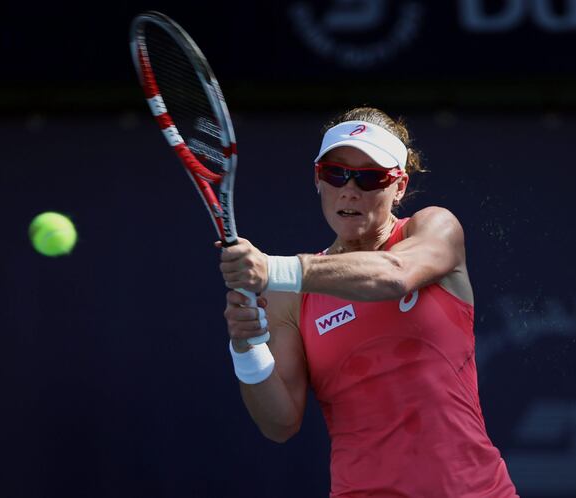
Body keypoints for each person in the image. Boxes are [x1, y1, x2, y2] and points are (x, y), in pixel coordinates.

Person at [218, 107, 518, 497]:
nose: (350, 189)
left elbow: (394, 274)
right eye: (335, 173)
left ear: (400, 186)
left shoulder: (435, 228)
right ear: (317, 178)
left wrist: (273, 268)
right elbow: (280, 424)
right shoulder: (289, 297)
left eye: (371, 177)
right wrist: (246, 348)